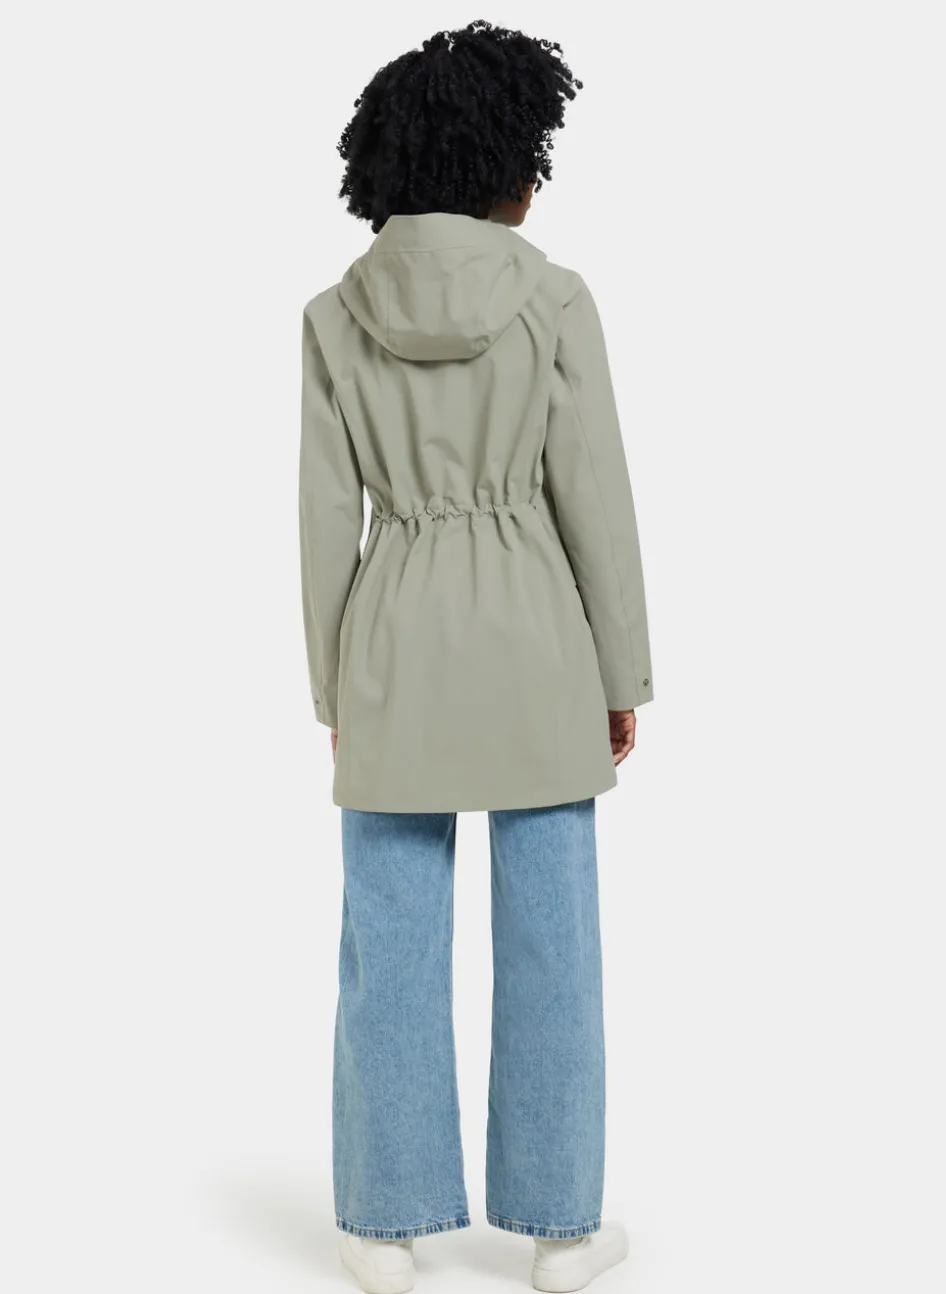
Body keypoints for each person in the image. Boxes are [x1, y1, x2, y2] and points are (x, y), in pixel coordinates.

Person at [299, 20, 653, 1294]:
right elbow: (593, 497)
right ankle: (560, 1229)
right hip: (537, 637)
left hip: (391, 637)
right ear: (504, 165)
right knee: (554, 936)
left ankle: (379, 1223)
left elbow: (323, 516)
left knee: (387, 934)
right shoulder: (552, 298)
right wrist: (622, 673)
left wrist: (332, 685)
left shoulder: (333, 316)